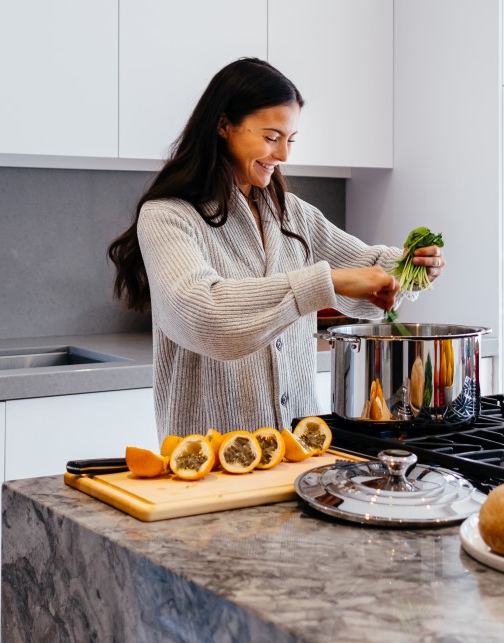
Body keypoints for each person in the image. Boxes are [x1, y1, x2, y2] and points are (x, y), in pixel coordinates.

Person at [108, 57, 445, 440]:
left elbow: (365, 267)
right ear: (223, 125)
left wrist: (410, 267)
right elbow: (204, 315)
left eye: (290, 139)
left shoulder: (291, 213)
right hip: (210, 458)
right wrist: (324, 283)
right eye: (271, 137)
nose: (284, 155)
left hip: (301, 449)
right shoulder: (168, 216)